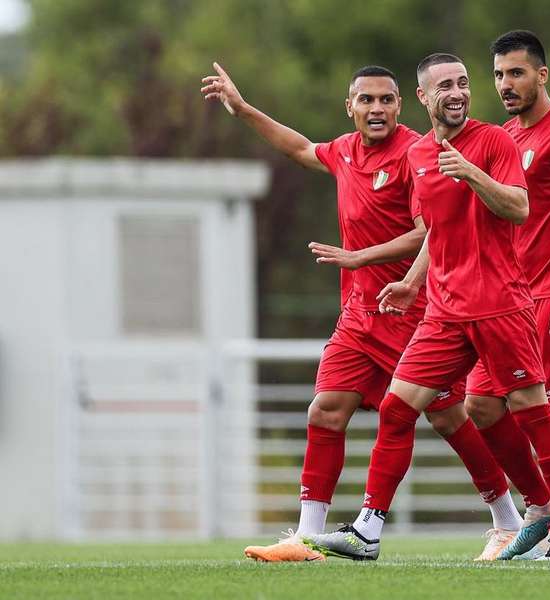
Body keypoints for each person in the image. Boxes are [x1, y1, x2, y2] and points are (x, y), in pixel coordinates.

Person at [201, 62, 521, 562]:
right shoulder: (345, 152)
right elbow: (299, 147)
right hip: (358, 316)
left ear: (401, 104)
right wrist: (242, 109)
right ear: (349, 107)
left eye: (386, 100)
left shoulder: (420, 153)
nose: (377, 109)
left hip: (411, 313)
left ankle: (507, 518)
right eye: (366, 100)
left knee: (449, 418)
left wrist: (362, 258)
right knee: (325, 411)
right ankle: (307, 538)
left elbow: (431, 230)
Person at [304, 53, 550, 562]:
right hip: (444, 309)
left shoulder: (494, 141)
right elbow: (435, 231)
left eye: (463, 83)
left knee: (531, 408)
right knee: (397, 409)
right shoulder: (417, 155)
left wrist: (471, 173)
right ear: (423, 97)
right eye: (445, 86)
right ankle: (368, 529)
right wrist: (414, 283)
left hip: (500, 304)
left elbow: (520, 207)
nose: (457, 93)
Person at [465, 30, 550, 560]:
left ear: (541, 75)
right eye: (499, 74)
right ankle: (542, 507)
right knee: (480, 403)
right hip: (512, 300)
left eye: (516, 73)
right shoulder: (504, 136)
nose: (505, 84)